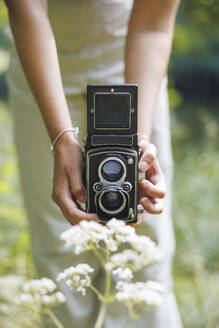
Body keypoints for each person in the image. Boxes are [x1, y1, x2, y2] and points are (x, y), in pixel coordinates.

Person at [4, 0, 182, 327]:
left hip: (135, 76)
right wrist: (60, 138)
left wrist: (135, 145)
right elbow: (25, 8)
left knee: (143, 248)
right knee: (60, 246)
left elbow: (153, 24)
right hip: (42, 72)